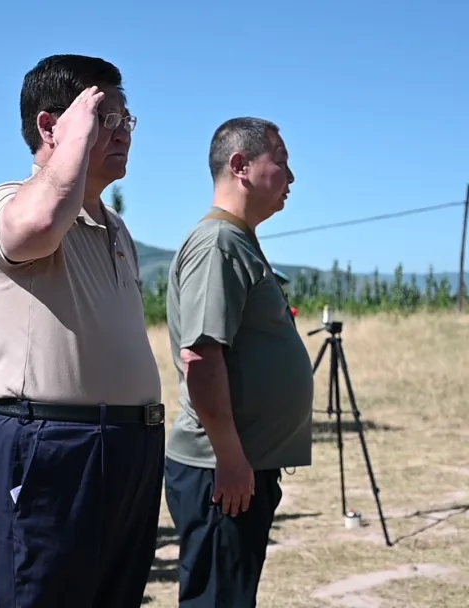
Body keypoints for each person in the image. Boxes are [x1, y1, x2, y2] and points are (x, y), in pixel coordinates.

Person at [0, 54, 164, 607]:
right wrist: (74, 139)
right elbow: (39, 223)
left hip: (125, 446)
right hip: (46, 442)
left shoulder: (113, 225)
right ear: (51, 126)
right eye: (105, 118)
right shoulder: (7, 201)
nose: (123, 133)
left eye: (126, 119)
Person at [164, 117, 314, 607]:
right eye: (281, 161)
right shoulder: (219, 244)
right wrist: (229, 457)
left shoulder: (238, 240)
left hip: (236, 465)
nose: (291, 176)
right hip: (220, 468)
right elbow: (202, 358)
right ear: (240, 166)